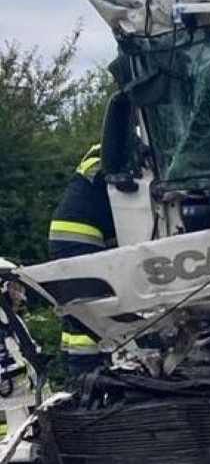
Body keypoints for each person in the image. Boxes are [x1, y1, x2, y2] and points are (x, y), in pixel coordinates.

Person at [47, 143, 114, 376]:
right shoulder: (110, 154)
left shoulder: (101, 153)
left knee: (76, 310)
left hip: (72, 236)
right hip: (79, 238)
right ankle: (86, 375)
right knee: (89, 311)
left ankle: (76, 373)